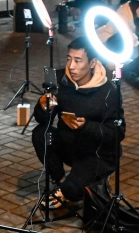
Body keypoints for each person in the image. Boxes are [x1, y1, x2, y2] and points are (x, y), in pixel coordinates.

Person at [32, 36, 125, 208]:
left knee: (73, 193)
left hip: (96, 154)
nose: (71, 66)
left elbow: (117, 133)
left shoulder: (109, 91)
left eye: (78, 60)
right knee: (41, 134)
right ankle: (60, 180)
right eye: (69, 59)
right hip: (69, 147)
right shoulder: (60, 81)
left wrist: (86, 126)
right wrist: (44, 107)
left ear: (92, 63)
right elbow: (44, 120)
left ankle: (74, 186)